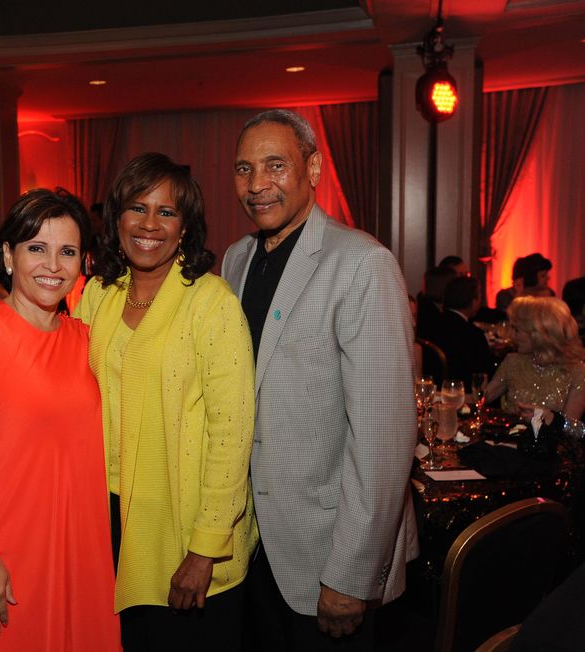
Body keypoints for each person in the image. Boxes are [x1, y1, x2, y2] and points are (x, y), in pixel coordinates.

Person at [222, 110, 418, 650]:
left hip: (326, 556)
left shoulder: (360, 263)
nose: (257, 185)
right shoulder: (236, 260)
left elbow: (384, 439)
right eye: (243, 169)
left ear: (313, 167)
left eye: (274, 165)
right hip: (255, 549)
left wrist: (350, 575)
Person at [76, 153, 258, 650]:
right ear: (116, 219)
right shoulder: (99, 295)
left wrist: (205, 550)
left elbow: (232, 433)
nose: (149, 224)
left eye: (167, 212)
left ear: (185, 228)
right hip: (107, 517)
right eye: (137, 207)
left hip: (186, 528)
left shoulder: (211, 302)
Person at [0, 188, 120, 650]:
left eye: (68, 252)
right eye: (37, 248)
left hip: (82, 558)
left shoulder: (90, 341)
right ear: (8, 255)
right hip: (1, 558)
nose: (53, 266)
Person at [485, 296, 585, 421]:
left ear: (539, 334)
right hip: (509, 439)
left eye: (517, 330)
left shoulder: (577, 371)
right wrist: (454, 396)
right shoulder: (513, 361)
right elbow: (482, 397)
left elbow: (574, 429)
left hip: (551, 440)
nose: (512, 336)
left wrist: (549, 418)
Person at [431, 276, 497, 390]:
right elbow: (484, 374)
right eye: (479, 296)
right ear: (472, 300)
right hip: (463, 394)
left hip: (435, 389)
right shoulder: (473, 335)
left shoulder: (430, 325)